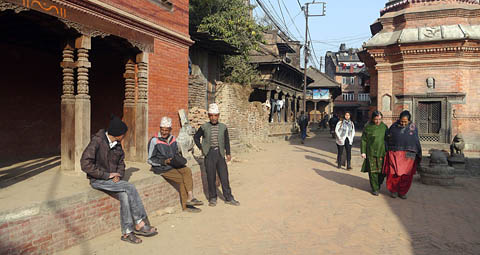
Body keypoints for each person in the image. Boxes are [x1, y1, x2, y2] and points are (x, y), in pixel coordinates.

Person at [80, 115, 157, 244]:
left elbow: (121, 164)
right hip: (98, 179)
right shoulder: (97, 142)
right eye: (124, 134)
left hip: (112, 180)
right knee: (129, 187)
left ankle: (127, 233)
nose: (125, 136)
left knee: (124, 195)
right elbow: (85, 164)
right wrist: (106, 175)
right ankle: (139, 222)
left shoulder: (117, 145)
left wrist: (118, 175)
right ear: (118, 134)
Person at [147, 117, 204, 213]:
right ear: (160, 128)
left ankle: (191, 197)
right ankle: (186, 207)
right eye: (162, 130)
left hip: (173, 164)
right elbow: (150, 160)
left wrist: (179, 159)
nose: (164, 132)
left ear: (170, 130)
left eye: (166, 130)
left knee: (187, 171)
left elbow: (176, 152)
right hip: (162, 168)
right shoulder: (154, 141)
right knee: (181, 180)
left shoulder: (173, 139)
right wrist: (164, 161)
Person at [194, 103, 240, 207]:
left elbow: (226, 140)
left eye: (215, 115)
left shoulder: (223, 127)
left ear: (218, 115)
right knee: (211, 177)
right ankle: (213, 198)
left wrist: (228, 153)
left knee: (224, 177)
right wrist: (202, 148)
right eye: (211, 115)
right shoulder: (204, 127)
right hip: (209, 154)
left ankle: (228, 197)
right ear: (209, 116)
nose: (213, 118)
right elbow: (196, 137)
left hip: (220, 154)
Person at [383, 110, 422, 199]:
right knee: (393, 174)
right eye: (401, 121)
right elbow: (387, 139)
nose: (403, 123)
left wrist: (418, 154)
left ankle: (402, 192)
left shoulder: (413, 128)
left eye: (405, 122)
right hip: (395, 153)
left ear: (409, 120)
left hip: (409, 155)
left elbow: (416, 141)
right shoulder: (394, 127)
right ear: (399, 119)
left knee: (406, 176)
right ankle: (393, 191)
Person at [361, 111, 388, 196]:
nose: (377, 121)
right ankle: (375, 188)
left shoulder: (384, 127)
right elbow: (364, 140)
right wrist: (363, 152)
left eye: (379, 119)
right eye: (376, 119)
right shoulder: (368, 127)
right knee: (373, 172)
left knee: (382, 172)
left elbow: (388, 139)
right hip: (371, 152)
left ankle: (378, 184)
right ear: (372, 119)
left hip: (382, 152)